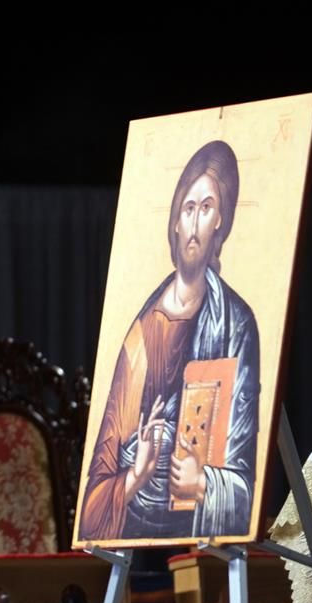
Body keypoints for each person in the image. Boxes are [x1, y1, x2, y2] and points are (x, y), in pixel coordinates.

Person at [79, 140, 259, 542]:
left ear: (221, 222)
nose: (194, 224)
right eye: (188, 208)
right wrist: (136, 474)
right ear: (175, 220)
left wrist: (205, 484)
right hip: (136, 524)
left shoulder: (236, 324)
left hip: (202, 535)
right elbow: (96, 498)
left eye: (207, 207)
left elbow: (248, 483)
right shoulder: (142, 334)